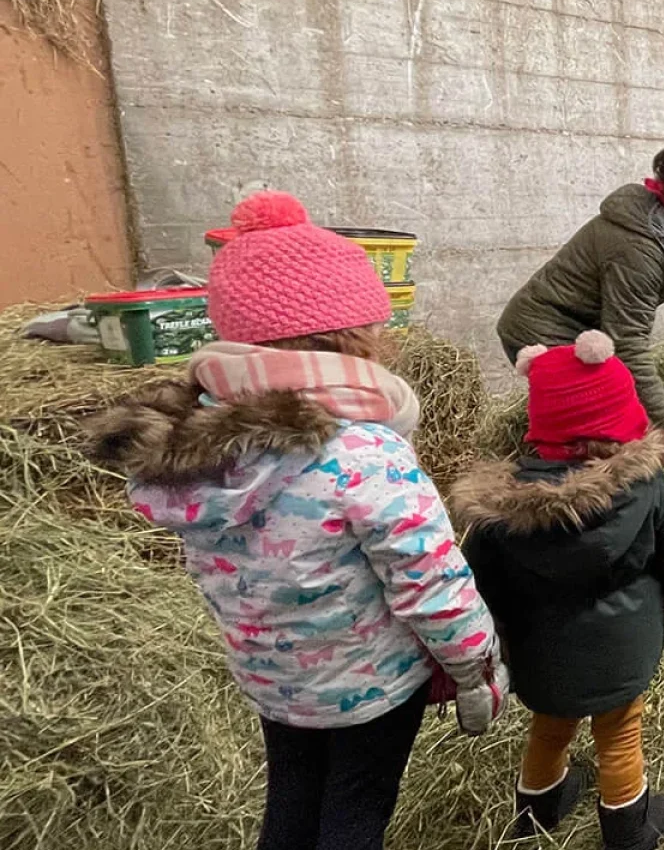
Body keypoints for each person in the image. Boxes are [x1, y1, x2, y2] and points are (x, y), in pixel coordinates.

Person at [84, 191, 505, 850]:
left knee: (292, 801)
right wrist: (477, 661)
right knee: (355, 813)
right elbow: (429, 581)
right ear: (348, 334)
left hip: (273, 681)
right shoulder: (363, 450)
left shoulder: (200, 448)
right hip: (369, 685)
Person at [451, 331, 664, 850]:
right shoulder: (646, 486)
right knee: (619, 734)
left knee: (550, 725)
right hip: (622, 651)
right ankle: (628, 830)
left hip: (540, 656)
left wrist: (490, 640)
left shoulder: (500, 512)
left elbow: (476, 581)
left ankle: (536, 808)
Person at [499, 145, 664, 475]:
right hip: (543, 329)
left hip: (581, 330)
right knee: (591, 437)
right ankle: (558, 496)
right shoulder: (640, 249)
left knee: (612, 418)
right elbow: (628, 342)